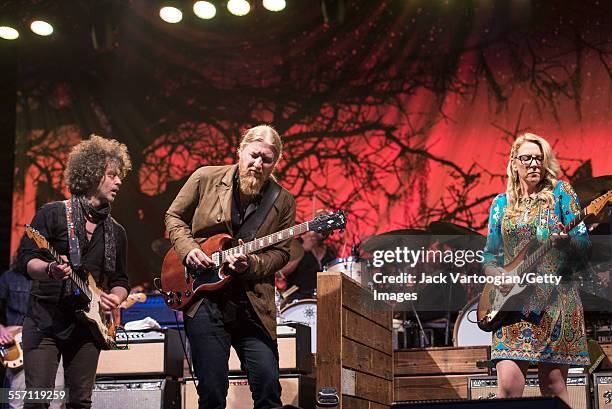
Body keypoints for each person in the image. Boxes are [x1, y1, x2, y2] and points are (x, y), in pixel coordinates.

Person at [165, 124, 296, 409]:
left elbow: (281, 254)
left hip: (252, 304)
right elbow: (174, 217)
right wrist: (189, 250)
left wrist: (252, 264)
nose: (258, 164)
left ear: (276, 163)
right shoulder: (205, 177)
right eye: (254, 155)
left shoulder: (283, 201)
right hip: (205, 300)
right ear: (240, 151)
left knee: (268, 389)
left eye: (267, 160)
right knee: (211, 394)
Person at [17, 135, 131, 409]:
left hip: (86, 326)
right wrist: (50, 269)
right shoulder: (54, 214)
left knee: (80, 402)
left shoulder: (116, 232)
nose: (118, 182)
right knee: (37, 401)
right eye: (112, 175)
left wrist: (115, 297)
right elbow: (26, 261)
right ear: (91, 175)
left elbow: (120, 280)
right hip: (45, 321)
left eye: (120, 176)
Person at [482, 133, 590, 405]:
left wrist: (566, 245)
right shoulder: (500, 205)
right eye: (527, 158)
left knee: (553, 388)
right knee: (507, 388)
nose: (533, 164)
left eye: (539, 159)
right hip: (511, 306)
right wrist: (498, 276)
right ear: (513, 163)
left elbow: (584, 243)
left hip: (555, 304)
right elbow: (489, 256)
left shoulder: (561, 194)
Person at [0, 265, 65, 409]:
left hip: (49, 339)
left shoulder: (59, 279)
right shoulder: (9, 278)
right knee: (18, 399)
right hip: (17, 345)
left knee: (54, 399)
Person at [280, 226, 336, 303]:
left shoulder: (330, 253)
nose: (325, 229)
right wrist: (302, 250)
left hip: (321, 301)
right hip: (296, 299)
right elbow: (283, 271)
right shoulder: (297, 243)